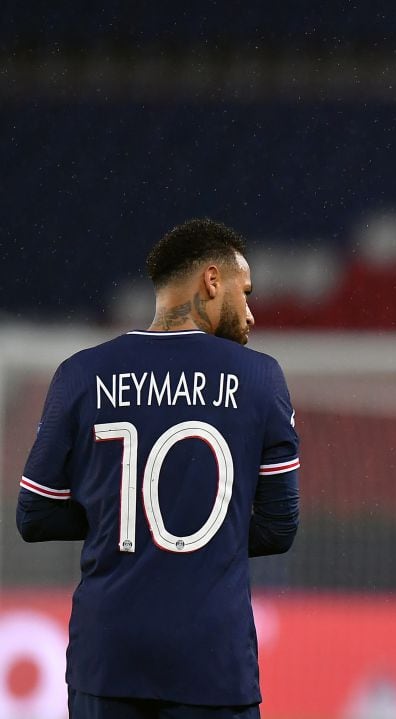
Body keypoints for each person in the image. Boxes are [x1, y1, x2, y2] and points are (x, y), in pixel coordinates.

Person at [16, 219, 301, 719]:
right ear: (212, 281)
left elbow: (34, 515)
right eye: (245, 292)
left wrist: (119, 520)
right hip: (213, 660)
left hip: (107, 658)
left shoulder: (79, 374)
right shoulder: (261, 379)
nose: (252, 314)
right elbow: (279, 529)